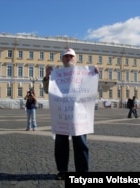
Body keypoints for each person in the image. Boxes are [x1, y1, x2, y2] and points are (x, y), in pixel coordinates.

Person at [42, 48, 99, 180]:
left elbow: (91, 90)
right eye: (65, 56)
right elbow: (47, 90)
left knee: (81, 144)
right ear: (62, 59)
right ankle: (62, 171)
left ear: (75, 58)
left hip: (79, 116)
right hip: (62, 115)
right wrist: (46, 76)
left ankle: (83, 172)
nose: (68, 58)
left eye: (70, 56)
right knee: (61, 144)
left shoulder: (84, 73)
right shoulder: (56, 74)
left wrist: (95, 73)